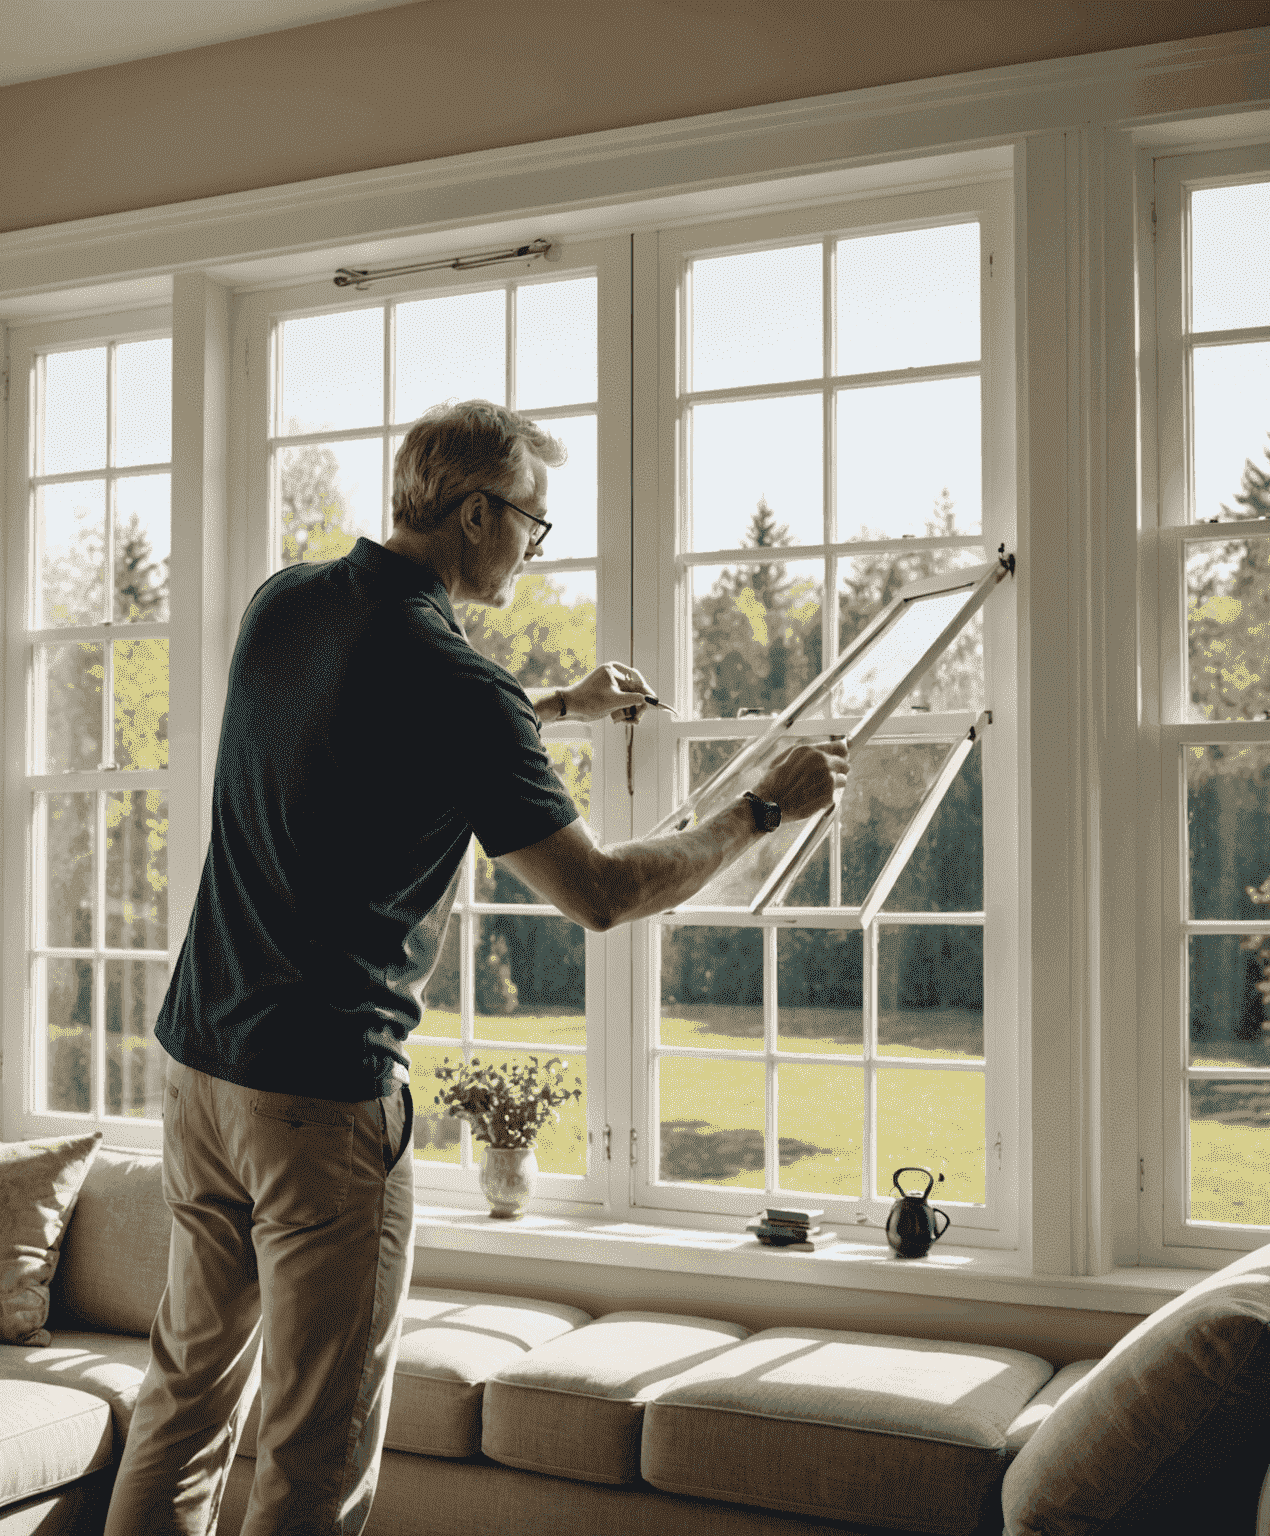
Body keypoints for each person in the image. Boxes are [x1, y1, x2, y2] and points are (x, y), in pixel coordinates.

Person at [103, 398, 847, 1536]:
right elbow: (599, 893)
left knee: (185, 1407)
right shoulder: (461, 686)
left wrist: (559, 704)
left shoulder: (286, 602)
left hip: (198, 1072)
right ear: (472, 511)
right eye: (533, 526)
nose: (533, 550)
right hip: (320, 1103)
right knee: (314, 1451)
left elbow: (369, 724)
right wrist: (759, 810)